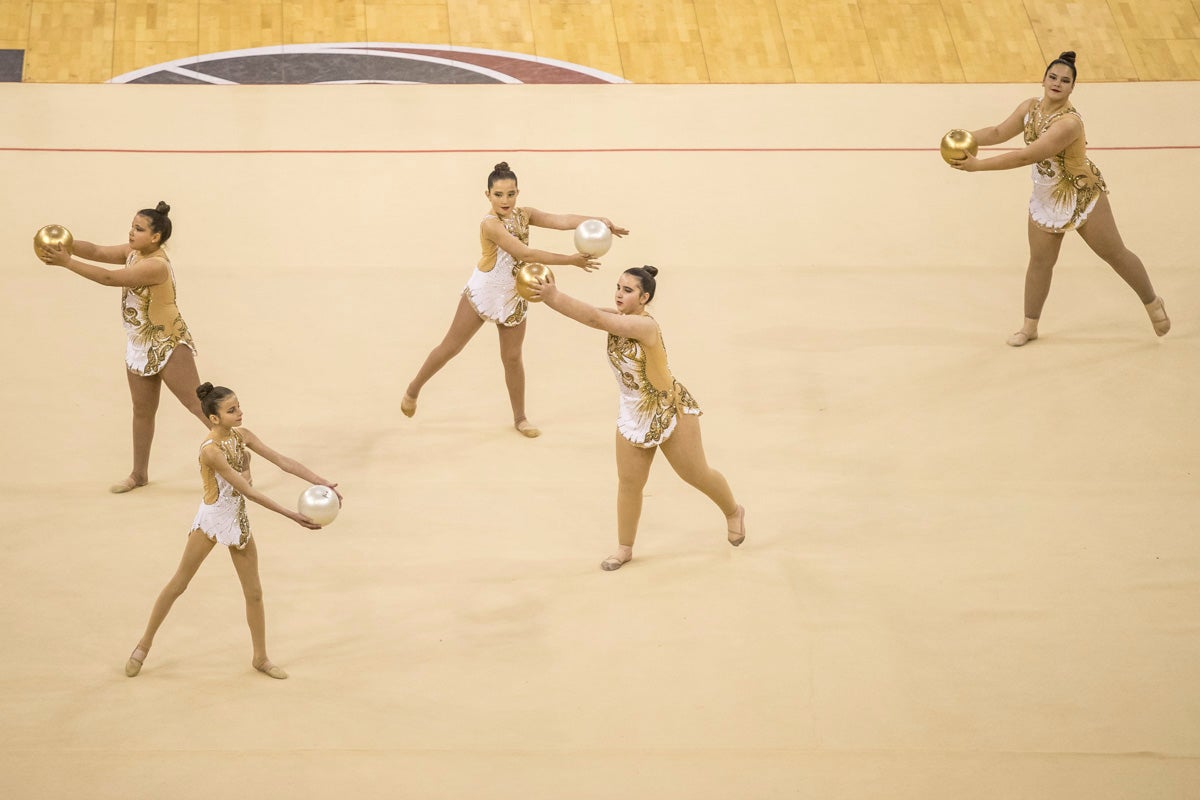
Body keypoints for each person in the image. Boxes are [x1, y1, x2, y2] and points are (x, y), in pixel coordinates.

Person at [528, 266, 745, 571]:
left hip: (668, 409)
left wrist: (553, 297)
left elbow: (595, 319)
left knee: (695, 474)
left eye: (628, 290)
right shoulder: (618, 318)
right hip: (633, 411)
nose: (619, 293)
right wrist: (552, 297)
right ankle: (624, 548)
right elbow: (591, 312)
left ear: (644, 298)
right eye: (618, 287)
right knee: (629, 483)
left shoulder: (646, 327)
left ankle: (733, 511)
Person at [123, 382, 341, 680]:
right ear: (214, 418)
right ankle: (142, 646)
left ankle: (260, 658)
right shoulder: (210, 451)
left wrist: (321, 482)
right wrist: (292, 515)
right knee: (179, 584)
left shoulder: (244, 437)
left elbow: (283, 462)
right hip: (212, 521)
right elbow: (248, 492)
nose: (240, 413)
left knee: (254, 593)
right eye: (231, 410)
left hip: (237, 521)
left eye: (238, 406)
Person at [949, 51, 1170, 345]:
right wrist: (962, 137)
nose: (1057, 83)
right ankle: (1029, 327)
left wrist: (979, 166)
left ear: (1072, 88)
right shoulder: (1030, 107)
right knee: (1040, 262)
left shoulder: (1069, 124)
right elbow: (999, 131)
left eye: (1065, 81)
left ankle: (1152, 301)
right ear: (1043, 79)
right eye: (1053, 77)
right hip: (1046, 196)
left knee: (1115, 254)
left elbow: (1027, 155)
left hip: (1080, 193)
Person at [400, 162, 629, 437]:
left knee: (512, 358)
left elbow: (561, 220)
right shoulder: (490, 225)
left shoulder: (525, 214)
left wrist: (597, 222)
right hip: (485, 290)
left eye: (510, 194)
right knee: (451, 347)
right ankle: (414, 389)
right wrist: (571, 261)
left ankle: (520, 418)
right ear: (488, 195)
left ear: (518, 192)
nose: (505, 200)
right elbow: (526, 254)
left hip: (514, 293)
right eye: (498, 194)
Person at [37, 202, 210, 491]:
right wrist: (63, 243)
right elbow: (98, 252)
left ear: (155, 237)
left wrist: (66, 262)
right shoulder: (134, 253)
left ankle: (240, 458)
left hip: (167, 340)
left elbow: (109, 278)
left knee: (197, 405)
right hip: (140, 343)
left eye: (138, 229)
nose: (131, 232)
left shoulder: (155, 265)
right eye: (132, 226)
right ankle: (138, 475)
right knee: (142, 411)